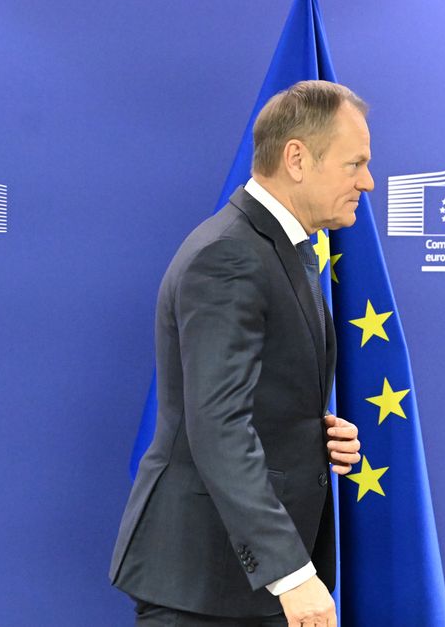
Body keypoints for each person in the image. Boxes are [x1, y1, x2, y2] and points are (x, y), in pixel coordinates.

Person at [110, 80, 372, 627]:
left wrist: (311, 432)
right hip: (208, 582)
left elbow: (250, 399)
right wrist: (293, 573)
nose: (367, 183)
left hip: (241, 581)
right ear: (296, 158)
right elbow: (218, 424)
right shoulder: (231, 255)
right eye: (355, 165)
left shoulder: (278, 250)